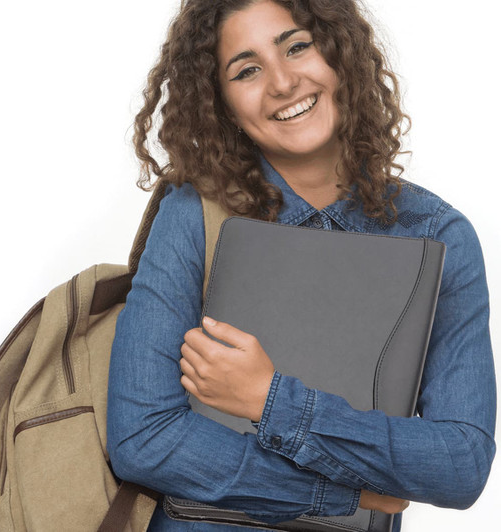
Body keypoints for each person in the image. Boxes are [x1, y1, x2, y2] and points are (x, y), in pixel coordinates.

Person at [106, 1, 497, 530]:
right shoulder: (193, 215)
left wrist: (269, 398)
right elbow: (143, 437)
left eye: (297, 47)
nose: (283, 82)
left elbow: (460, 463)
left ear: (340, 55)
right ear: (221, 104)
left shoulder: (436, 235)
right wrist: (340, 494)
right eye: (246, 70)